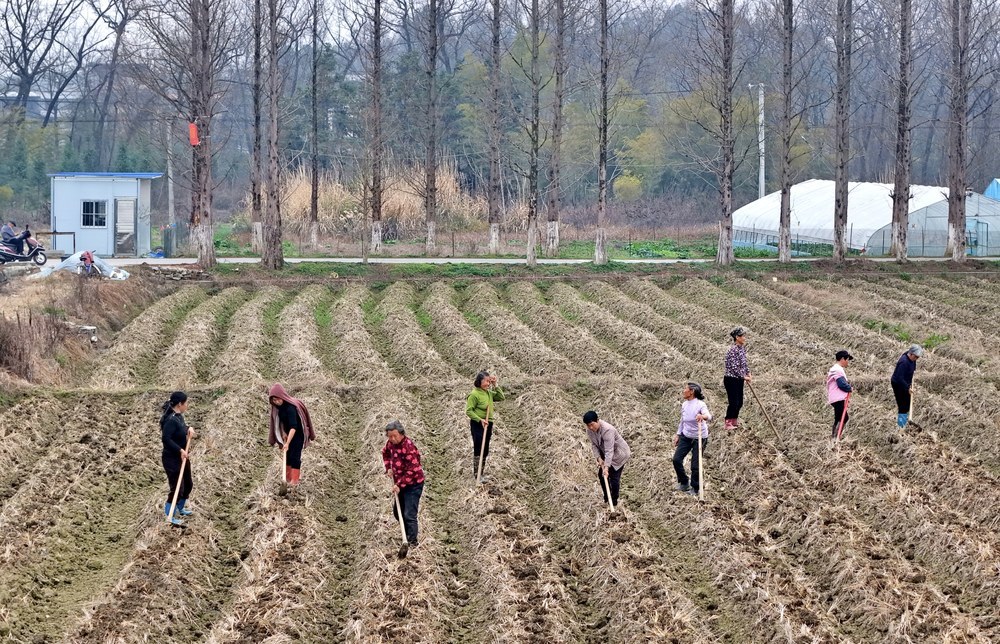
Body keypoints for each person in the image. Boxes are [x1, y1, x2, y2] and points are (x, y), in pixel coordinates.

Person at [382, 420, 425, 547]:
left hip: (413, 484)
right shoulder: (390, 444)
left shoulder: (408, 447)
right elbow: (385, 453)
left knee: (409, 514)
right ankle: (406, 534)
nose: (392, 439)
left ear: (401, 434)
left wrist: (399, 485)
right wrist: (388, 468)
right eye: (390, 436)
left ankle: (412, 541)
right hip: (400, 483)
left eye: (394, 436)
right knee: (397, 512)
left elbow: (412, 470)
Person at [268, 383, 316, 486]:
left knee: (295, 456)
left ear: (282, 396)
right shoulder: (279, 408)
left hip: (297, 434)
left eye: (277, 399)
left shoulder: (290, 408)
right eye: (274, 401)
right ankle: (288, 479)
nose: (276, 402)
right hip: (288, 432)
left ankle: (295, 481)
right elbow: (281, 422)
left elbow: (294, 426)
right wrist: (284, 432)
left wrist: (287, 443)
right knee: (288, 457)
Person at [161, 391, 196, 526]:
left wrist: (189, 428)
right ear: (180, 404)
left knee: (188, 484)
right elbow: (166, 439)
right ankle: (170, 513)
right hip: (172, 458)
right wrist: (180, 450)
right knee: (177, 488)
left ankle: (180, 508)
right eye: (186, 403)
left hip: (182, 456)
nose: (187, 405)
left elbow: (181, 429)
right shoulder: (170, 420)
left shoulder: (178, 417)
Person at [583, 411, 631, 508]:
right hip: (606, 453)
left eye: (592, 424)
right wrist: (599, 458)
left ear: (597, 420)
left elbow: (610, 450)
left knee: (613, 477)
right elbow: (594, 445)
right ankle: (607, 498)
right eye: (588, 425)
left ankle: (614, 501)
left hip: (619, 453)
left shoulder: (608, 430)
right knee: (601, 476)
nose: (591, 428)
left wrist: (607, 467)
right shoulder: (590, 430)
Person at [673, 382, 712, 496]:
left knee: (695, 465)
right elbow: (682, 420)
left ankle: (695, 488)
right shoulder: (684, 404)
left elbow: (709, 416)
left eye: (685, 389)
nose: (683, 391)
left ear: (692, 392)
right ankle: (684, 482)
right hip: (686, 436)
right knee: (676, 460)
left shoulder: (700, 404)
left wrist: (702, 416)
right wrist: (678, 435)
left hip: (699, 437)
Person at [465, 371, 505, 481]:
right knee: (479, 447)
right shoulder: (474, 394)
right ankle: (477, 475)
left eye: (489, 381)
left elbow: (501, 397)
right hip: (478, 424)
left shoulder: (488, 393)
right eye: (486, 381)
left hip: (488, 423)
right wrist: (480, 420)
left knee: (485, 448)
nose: (488, 383)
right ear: (480, 381)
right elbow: (469, 411)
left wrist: (495, 384)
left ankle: (481, 473)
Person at [723, 327, 751, 429]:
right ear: (737, 337)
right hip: (731, 379)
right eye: (742, 336)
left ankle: (734, 420)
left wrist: (748, 373)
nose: (744, 338)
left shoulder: (742, 349)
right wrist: (744, 376)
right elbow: (734, 367)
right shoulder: (733, 350)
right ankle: (728, 422)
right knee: (733, 401)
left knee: (740, 402)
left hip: (739, 379)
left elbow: (744, 363)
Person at [891, 344, 923, 429]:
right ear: (911, 354)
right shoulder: (903, 362)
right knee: (903, 405)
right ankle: (901, 426)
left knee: (907, 403)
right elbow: (899, 378)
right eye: (916, 357)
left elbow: (912, 369)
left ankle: (905, 421)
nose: (916, 359)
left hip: (905, 381)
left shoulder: (912, 360)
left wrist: (910, 383)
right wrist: (907, 388)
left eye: (918, 357)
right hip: (898, 383)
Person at [827, 350, 854, 440]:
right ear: (842, 359)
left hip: (836, 397)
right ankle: (835, 438)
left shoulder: (836, 369)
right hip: (837, 398)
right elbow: (841, 384)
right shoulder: (837, 369)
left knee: (839, 417)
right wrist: (849, 388)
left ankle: (834, 437)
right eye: (847, 359)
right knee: (844, 417)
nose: (848, 362)